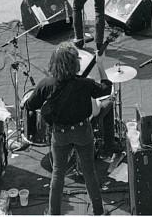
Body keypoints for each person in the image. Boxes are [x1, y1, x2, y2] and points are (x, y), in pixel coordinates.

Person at [25, 42, 112, 215]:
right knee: (89, 172)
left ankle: (53, 213)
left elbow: (29, 104)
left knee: (58, 174)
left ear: (53, 63)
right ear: (75, 64)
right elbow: (106, 88)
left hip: (60, 135)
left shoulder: (46, 84)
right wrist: (100, 64)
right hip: (82, 132)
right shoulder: (84, 84)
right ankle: (98, 211)